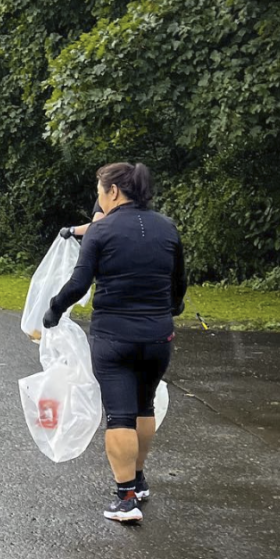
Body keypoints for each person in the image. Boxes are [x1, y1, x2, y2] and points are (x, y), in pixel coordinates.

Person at [43, 162, 187, 524]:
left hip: (114, 338)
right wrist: (168, 309)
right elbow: (178, 286)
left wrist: (53, 311)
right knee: (145, 406)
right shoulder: (166, 228)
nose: (98, 197)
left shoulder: (101, 231)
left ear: (113, 192)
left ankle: (125, 500)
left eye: (99, 190)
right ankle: (138, 481)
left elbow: (78, 284)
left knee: (120, 415)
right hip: (158, 337)